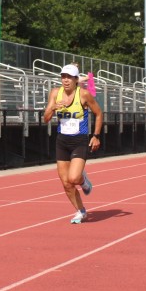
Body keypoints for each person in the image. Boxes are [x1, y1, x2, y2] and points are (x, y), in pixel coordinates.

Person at [43, 64, 104, 224]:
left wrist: (96, 136)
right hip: (62, 141)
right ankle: (81, 211)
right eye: (63, 76)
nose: (66, 80)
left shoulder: (83, 94)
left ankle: (83, 181)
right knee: (66, 183)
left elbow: (98, 113)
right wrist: (53, 108)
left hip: (79, 141)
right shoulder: (55, 93)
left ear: (76, 79)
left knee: (74, 177)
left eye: (69, 77)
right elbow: (46, 118)